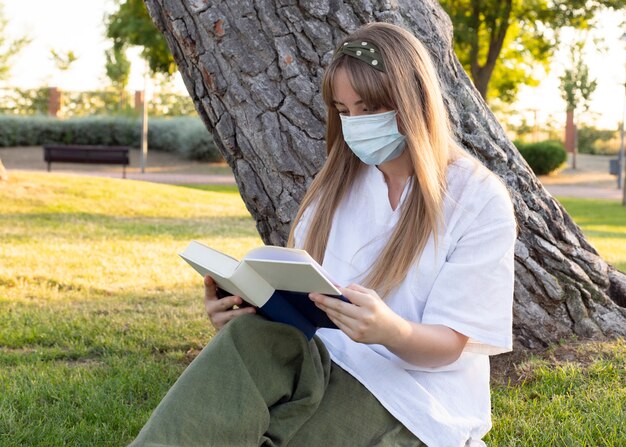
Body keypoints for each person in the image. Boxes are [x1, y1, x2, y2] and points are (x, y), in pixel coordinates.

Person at [129, 22, 517, 447]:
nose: (355, 124)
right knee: (248, 337)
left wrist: (391, 331)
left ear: (414, 102)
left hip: (414, 404)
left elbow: (449, 345)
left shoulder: (476, 200)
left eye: (369, 109)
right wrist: (243, 311)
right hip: (325, 369)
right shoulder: (337, 189)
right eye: (344, 111)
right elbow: (304, 309)